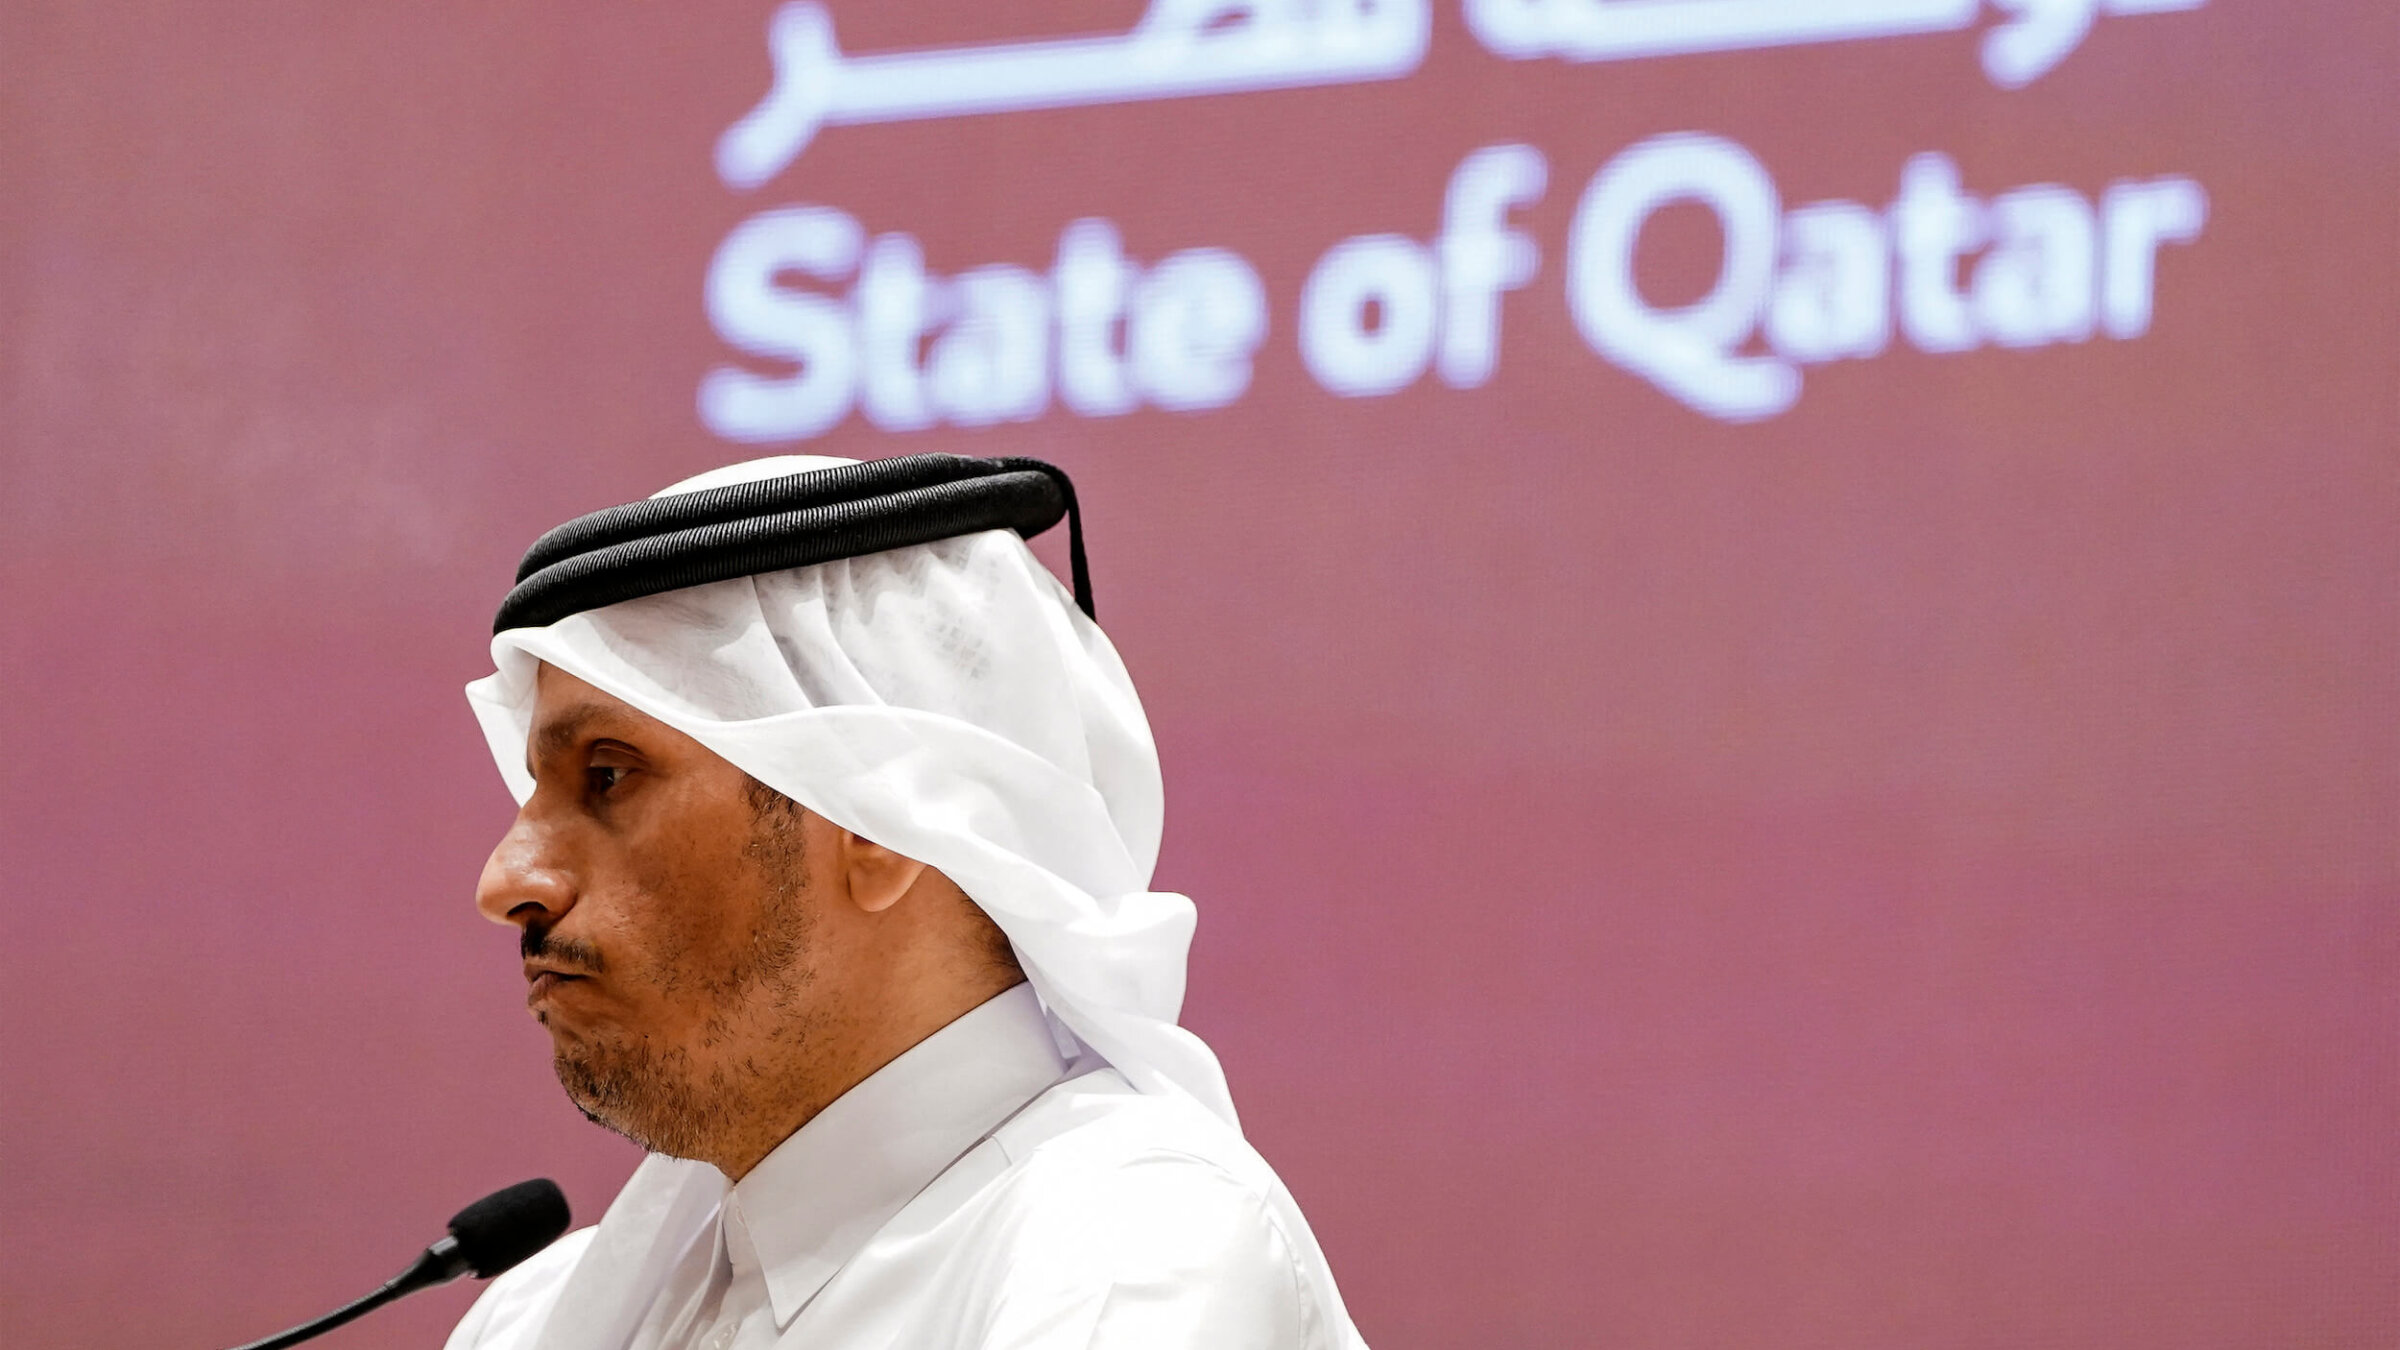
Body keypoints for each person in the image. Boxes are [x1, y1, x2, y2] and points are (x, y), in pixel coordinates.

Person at [443, 453, 1366, 1350]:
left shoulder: (1124, 1251)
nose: (507, 883)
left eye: (608, 776)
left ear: (879, 821)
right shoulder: (539, 1316)